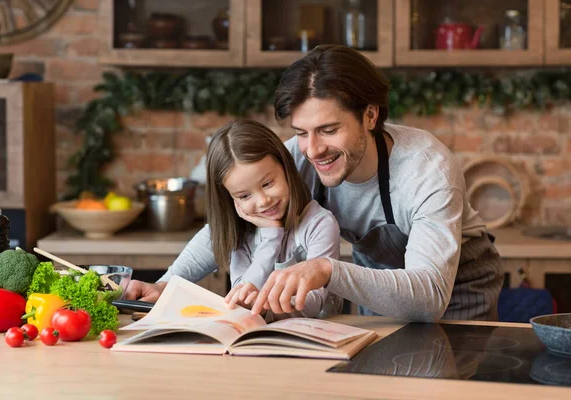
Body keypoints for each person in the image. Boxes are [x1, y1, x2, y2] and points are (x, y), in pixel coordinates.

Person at [126, 44, 504, 322]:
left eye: (328, 129)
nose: (313, 149)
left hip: (455, 286)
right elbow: (226, 225)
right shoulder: (295, 156)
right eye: (302, 132)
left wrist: (327, 270)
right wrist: (166, 284)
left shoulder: (426, 169)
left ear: (370, 115)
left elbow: (428, 298)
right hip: (374, 279)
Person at [125, 119, 342, 318]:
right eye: (245, 196)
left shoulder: (319, 224)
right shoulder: (234, 226)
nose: (263, 200)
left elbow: (314, 302)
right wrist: (161, 287)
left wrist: (264, 305)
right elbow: (181, 274)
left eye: (268, 183)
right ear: (229, 198)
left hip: (313, 345)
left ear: (286, 168)